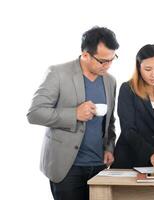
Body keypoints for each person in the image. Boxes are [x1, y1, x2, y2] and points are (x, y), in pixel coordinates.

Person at [27, 26, 119, 200]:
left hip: (99, 166)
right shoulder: (58, 73)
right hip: (67, 168)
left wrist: (109, 148)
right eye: (102, 61)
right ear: (85, 54)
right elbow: (35, 113)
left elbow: (110, 121)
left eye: (112, 59)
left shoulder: (110, 81)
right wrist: (74, 114)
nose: (108, 66)